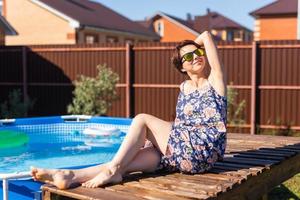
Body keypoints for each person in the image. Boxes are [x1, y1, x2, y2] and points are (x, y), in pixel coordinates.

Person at [31, 31, 227, 189]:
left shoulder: (215, 81)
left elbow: (207, 36)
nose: (195, 58)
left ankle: (112, 170)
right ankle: (69, 175)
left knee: (141, 119)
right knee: (130, 160)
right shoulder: (184, 88)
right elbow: (182, 125)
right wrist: (153, 140)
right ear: (181, 67)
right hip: (184, 152)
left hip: (203, 150)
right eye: (188, 57)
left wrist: (188, 45)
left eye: (198, 53)